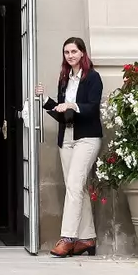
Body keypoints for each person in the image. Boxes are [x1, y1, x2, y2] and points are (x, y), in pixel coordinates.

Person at [38, 36, 102, 258]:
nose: (70, 55)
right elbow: (62, 112)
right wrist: (46, 101)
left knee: (74, 185)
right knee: (76, 188)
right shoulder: (65, 79)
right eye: (66, 52)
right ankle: (87, 238)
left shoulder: (93, 78)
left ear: (82, 53)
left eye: (74, 51)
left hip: (87, 138)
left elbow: (93, 108)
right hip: (67, 138)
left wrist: (72, 104)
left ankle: (67, 238)